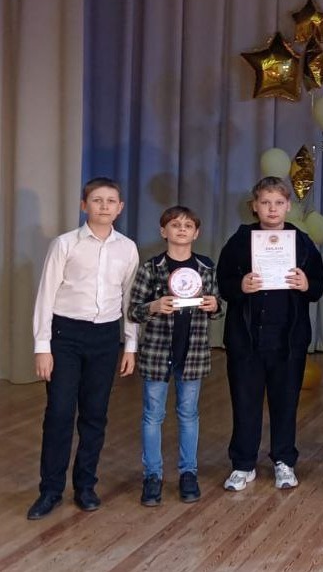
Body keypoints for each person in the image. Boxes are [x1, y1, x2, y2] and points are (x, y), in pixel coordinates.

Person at [27, 177, 140, 520]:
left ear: (120, 208)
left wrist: (130, 345)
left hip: (105, 338)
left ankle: (86, 485)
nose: (104, 206)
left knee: (94, 415)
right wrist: (42, 346)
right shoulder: (65, 244)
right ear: (84, 205)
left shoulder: (127, 248)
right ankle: (50, 490)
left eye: (111, 201)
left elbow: (130, 300)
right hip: (65, 336)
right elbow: (46, 295)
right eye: (97, 200)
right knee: (60, 413)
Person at [216, 176, 323, 492]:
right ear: (255, 206)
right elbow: (223, 283)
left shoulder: (302, 242)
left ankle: (284, 461)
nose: (272, 208)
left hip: (288, 339)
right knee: (245, 401)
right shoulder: (239, 241)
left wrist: (306, 285)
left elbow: (318, 285)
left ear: (288, 206)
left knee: (285, 402)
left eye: (278, 202)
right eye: (265, 202)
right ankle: (243, 464)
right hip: (246, 338)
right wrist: (240, 287)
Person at [128, 206, 223, 506]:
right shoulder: (151, 267)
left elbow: (218, 307)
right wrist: (154, 307)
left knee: (188, 414)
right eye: (174, 224)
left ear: (196, 233)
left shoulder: (206, 267)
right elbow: (133, 310)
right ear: (163, 231)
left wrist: (213, 305)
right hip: (157, 352)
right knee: (152, 415)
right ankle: (152, 476)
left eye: (187, 225)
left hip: (192, 353)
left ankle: (188, 473)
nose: (181, 229)